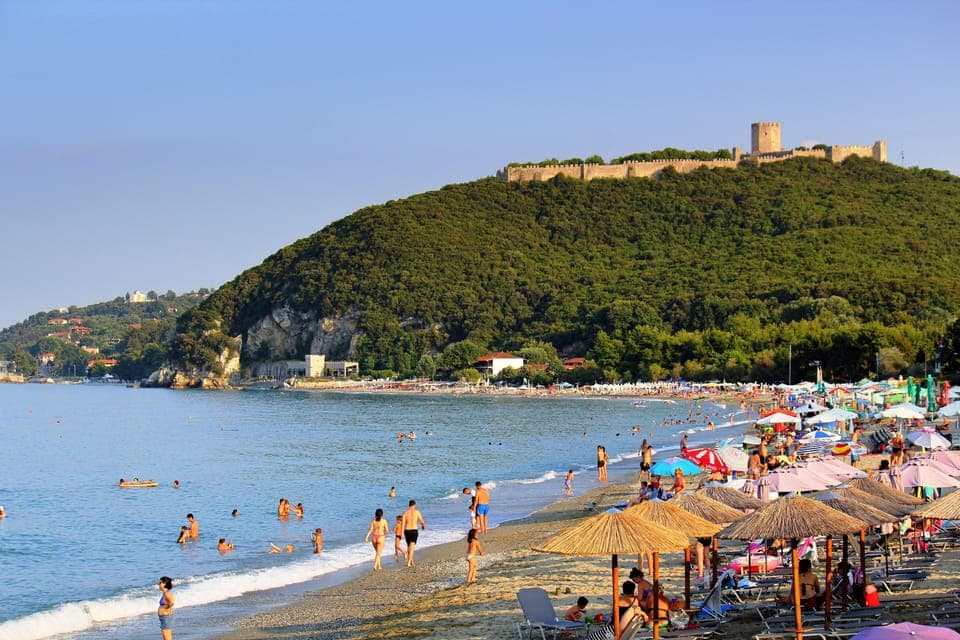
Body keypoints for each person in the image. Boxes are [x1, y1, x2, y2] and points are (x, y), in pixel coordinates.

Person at [402, 499, 426, 567]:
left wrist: (401, 533)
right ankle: (409, 562)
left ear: (409, 505)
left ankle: (411, 561)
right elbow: (422, 521)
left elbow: (403, 524)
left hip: (407, 531)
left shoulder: (405, 513)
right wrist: (423, 526)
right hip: (414, 531)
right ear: (414, 505)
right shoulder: (417, 512)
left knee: (409, 546)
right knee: (412, 547)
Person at [158, 576, 175, 640]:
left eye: (160, 583)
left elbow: (172, 602)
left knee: (167, 638)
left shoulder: (167, 593)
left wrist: (166, 608)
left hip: (166, 618)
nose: (159, 584)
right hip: (164, 618)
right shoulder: (165, 593)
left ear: (164, 584)